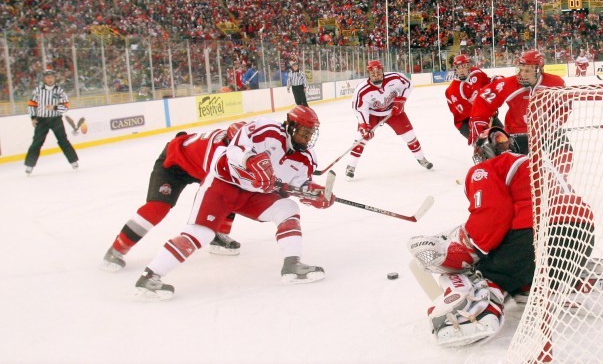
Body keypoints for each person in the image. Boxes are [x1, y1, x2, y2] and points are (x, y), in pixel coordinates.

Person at [408, 127, 595, 351]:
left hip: (539, 233)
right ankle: (565, 283)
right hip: (582, 234)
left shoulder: (488, 168)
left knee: (487, 272)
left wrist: (466, 252)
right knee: (516, 265)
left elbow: (493, 214)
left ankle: (477, 315)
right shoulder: (533, 164)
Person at [134, 106, 333, 300]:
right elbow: (234, 148)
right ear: (290, 126)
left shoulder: (306, 158)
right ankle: (150, 276)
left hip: (253, 195)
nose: (307, 138)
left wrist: (313, 193)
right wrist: (251, 160)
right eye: (304, 132)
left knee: (288, 209)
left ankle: (292, 265)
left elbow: (297, 183)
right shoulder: (266, 130)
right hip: (224, 183)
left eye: (311, 133)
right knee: (202, 233)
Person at [101, 122, 247, 272]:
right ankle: (116, 249)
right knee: (157, 208)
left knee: (231, 191)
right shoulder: (217, 152)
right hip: (173, 163)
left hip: (196, 162)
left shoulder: (238, 142)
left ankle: (217, 236)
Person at [345, 59, 432, 179]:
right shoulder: (362, 90)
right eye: (373, 74)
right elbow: (360, 109)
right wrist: (364, 125)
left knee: (410, 135)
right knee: (360, 138)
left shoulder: (394, 78)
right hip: (372, 114)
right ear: (369, 74)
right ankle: (351, 166)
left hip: (393, 111)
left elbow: (408, 85)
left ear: (382, 71)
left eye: (379, 73)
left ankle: (421, 158)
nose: (376, 76)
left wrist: (401, 100)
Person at [469, 49, 566, 157]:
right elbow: (483, 99)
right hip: (517, 134)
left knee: (564, 157)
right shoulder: (509, 84)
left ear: (539, 70)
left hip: (546, 131)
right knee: (520, 167)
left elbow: (563, 106)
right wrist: (478, 123)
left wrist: (555, 122)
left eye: (527, 71)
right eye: (521, 70)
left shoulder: (555, 83)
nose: (522, 74)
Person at [24, 69, 79, 175]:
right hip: (42, 120)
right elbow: (31, 104)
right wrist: (33, 118)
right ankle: (29, 165)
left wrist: (54, 107)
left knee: (63, 140)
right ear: (44, 79)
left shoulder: (59, 91)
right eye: (48, 77)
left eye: (52, 77)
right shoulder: (38, 90)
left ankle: (73, 161)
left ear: (54, 78)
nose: (50, 79)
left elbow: (66, 106)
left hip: (55, 119)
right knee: (37, 142)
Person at [444, 54, 496, 145]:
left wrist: (495, 80)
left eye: (464, 66)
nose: (461, 70)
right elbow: (468, 113)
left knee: (502, 137)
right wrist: (489, 110)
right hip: (465, 120)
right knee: (482, 144)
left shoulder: (476, 73)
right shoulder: (453, 90)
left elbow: (487, 83)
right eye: (458, 67)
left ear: (469, 66)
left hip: (483, 113)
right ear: (455, 69)